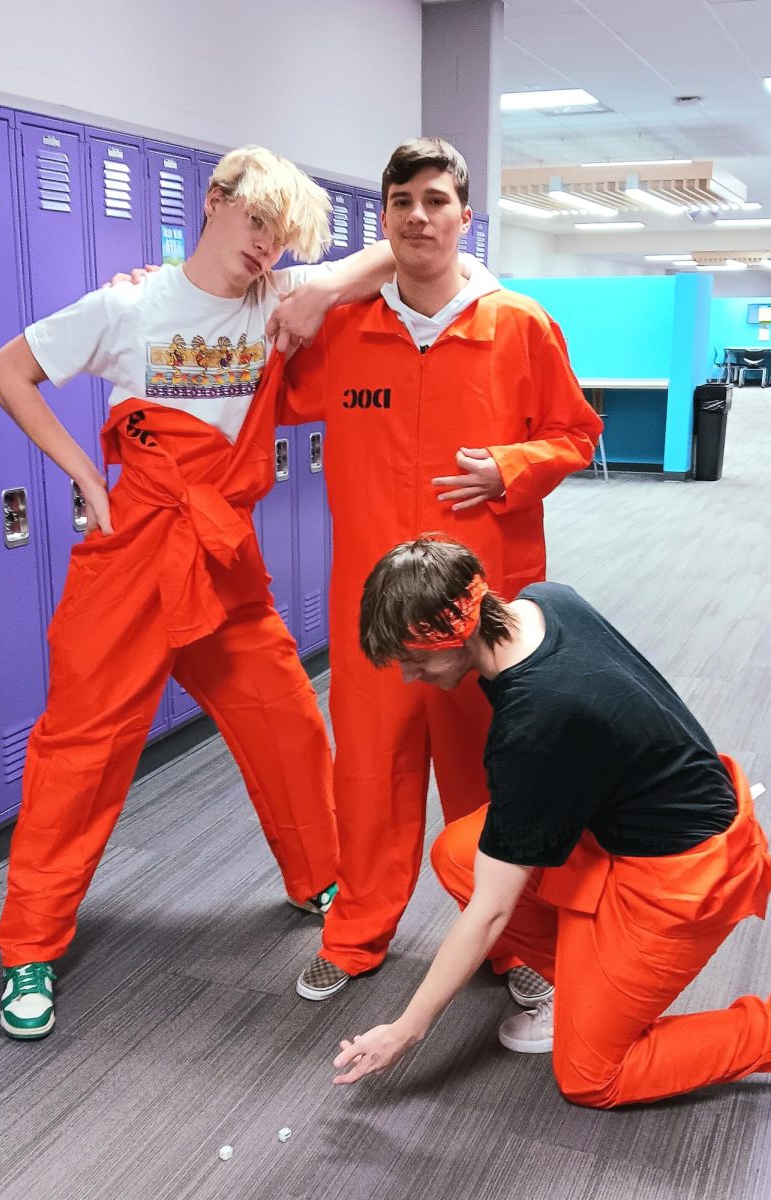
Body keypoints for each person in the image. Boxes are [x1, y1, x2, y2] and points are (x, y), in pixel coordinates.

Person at [0, 146, 409, 1040]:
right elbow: (6, 372)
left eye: (281, 236)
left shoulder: (279, 305)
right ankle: (29, 948)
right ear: (213, 203)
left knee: (287, 717)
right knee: (82, 751)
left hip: (222, 553)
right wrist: (87, 484)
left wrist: (321, 283)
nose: (265, 248)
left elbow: (409, 258)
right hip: (134, 550)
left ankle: (316, 877)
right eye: (256, 223)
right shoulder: (128, 305)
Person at [330, 534, 771, 1110]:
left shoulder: (535, 721)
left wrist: (406, 1028)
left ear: (456, 633)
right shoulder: (542, 602)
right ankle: (583, 995)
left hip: (687, 872)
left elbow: (492, 912)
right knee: (460, 852)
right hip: (632, 818)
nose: (411, 678)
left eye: (416, 662)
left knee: (592, 1077)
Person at [278, 138, 604, 1004]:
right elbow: (257, 368)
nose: (418, 217)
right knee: (370, 773)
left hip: (480, 606)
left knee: (492, 776)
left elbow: (576, 433)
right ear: (382, 219)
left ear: (465, 215)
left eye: (435, 201)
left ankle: (518, 941)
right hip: (376, 611)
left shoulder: (518, 325)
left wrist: (511, 467)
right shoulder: (346, 330)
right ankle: (357, 933)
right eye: (401, 203)